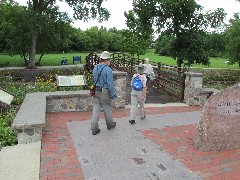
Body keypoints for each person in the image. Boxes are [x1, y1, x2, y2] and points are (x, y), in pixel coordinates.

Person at [91, 51, 116, 135]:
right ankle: (110, 125)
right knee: (107, 108)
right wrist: (112, 95)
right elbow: (110, 84)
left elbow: (94, 79)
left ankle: (94, 128)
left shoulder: (95, 68)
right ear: (107, 59)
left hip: (96, 91)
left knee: (95, 109)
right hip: (104, 92)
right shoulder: (108, 69)